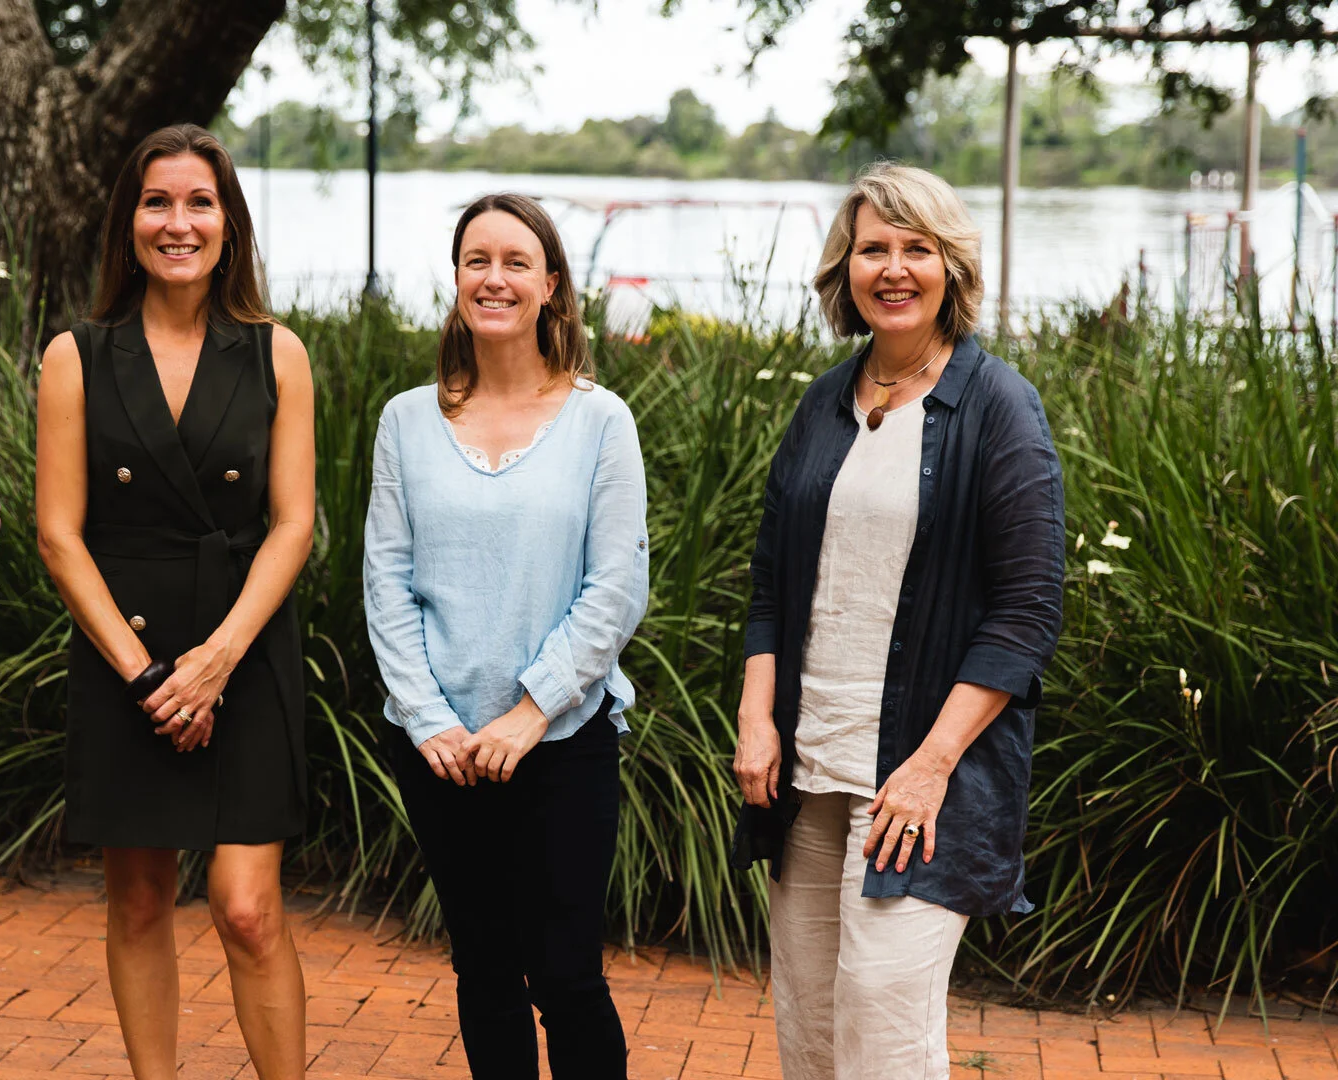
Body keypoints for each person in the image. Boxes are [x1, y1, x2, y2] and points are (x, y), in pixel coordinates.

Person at [729, 162, 1065, 1079]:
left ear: (951, 266)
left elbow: (1028, 612)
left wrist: (929, 768)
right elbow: (770, 582)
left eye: (917, 248)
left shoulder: (997, 407)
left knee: (883, 1039)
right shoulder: (824, 402)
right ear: (845, 269)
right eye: (873, 248)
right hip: (809, 766)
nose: (893, 269)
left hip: (922, 778)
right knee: (810, 1032)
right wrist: (757, 718)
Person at [34, 123, 315, 1080]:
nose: (178, 223)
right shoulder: (76, 355)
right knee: (142, 902)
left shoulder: (278, 354)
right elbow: (58, 536)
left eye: (201, 203)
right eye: (157, 202)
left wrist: (217, 661)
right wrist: (149, 675)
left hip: (245, 645)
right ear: (128, 223)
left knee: (247, 907)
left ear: (230, 225)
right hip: (127, 652)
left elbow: (293, 525)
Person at [363, 192, 648, 1080]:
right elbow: (386, 580)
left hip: (561, 741)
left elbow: (616, 587)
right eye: (477, 261)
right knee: (483, 971)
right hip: (442, 750)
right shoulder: (406, 421)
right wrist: (428, 719)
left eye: (516, 263)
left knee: (566, 977)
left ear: (551, 285)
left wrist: (532, 711)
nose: (495, 278)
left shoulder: (601, 421)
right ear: (456, 280)